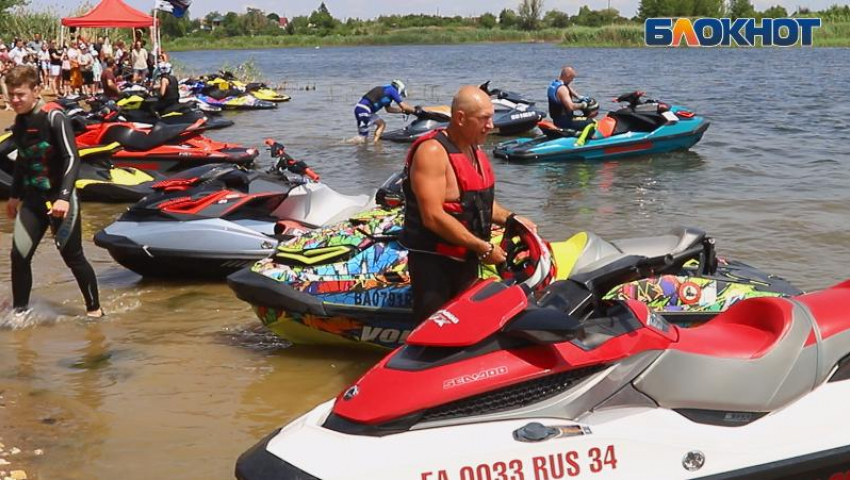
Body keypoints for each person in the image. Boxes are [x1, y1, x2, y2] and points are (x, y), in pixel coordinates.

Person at [400, 85, 536, 322]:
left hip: (467, 259)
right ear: (461, 118)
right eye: (484, 118)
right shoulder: (432, 152)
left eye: (491, 117)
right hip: (434, 266)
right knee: (435, 331)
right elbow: (432, 216)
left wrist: (512, 219)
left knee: (466, 324)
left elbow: (478, 205)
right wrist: (483, 248)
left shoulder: (475, 151)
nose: (491, 125)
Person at [4, 66, 102, 318]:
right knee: (19, 255)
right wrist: (14, 196)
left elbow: (72, 158)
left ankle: (95, 311)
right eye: (11, 94)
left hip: (61, 199)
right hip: (34, 200)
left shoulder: (54, 117)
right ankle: (20, 313)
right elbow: (23, 162)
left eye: (20, 95)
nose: (14, 100)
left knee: (73, 257)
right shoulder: (19, 122)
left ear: (36, 91)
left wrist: (64, 197)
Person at [547, 66, 593, 130]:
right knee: (591, 122)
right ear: (568, 76)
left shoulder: (555, 84)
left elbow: (567, 88)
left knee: (582, 118)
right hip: (565, 121)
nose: (572, 80)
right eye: (572, 78)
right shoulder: (562, 89)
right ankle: (585, 138)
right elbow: (571, 107)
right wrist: (583, 105)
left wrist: (579, 97)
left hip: (557, 119)